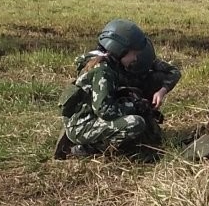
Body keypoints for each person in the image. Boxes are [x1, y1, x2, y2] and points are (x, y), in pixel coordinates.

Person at [54, 19, 181, 160]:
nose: (135, 58)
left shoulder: (105, 63)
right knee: (135, 123)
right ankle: (84, 149)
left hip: (86, 119)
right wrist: (135, 106)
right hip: (82, 125)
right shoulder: (103, 71)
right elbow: (105, 110)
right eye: (133, 54)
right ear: (121, 50)